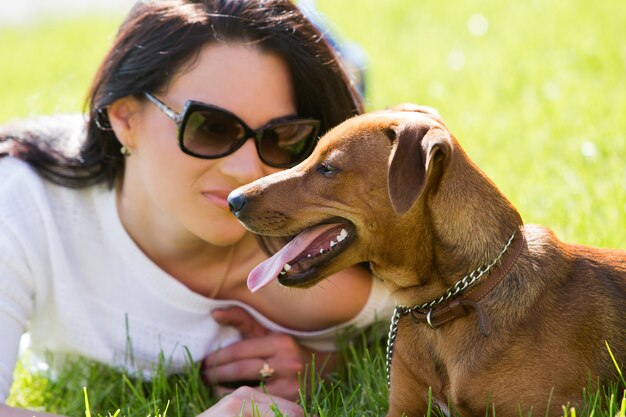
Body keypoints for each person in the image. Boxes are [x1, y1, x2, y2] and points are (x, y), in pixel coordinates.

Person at [0, 1, 394, 416]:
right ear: (125, 118)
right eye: (210, 128)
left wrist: (330, 366)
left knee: (344, 70)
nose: (247, 170)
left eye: (284, 137)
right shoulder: (26, 201)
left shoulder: (348, 244)